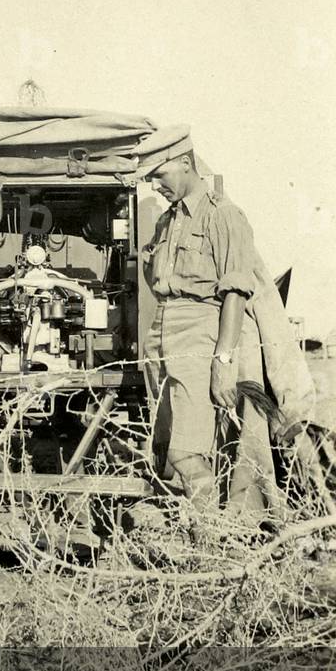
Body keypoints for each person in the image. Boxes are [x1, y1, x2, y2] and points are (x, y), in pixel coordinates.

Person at [139, 133, 279, 535]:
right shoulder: (169, 219)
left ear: (185, 161)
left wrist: (223, 360)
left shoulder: (224, 215)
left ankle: (210, 544)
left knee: (187, 452)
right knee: (168, 450)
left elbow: (235, 290)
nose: (154, 185)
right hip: (163, 330)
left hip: (200, 333)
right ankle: (201, 533)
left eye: (159, 173)